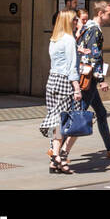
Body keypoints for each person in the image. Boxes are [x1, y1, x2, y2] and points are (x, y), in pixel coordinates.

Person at [78, 0, 110, 159]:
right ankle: (57, 148)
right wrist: (101, 80)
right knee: (77, 114)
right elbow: (95, 57)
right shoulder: (95, 31)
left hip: (85, 75)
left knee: (101, 112)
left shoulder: (86, 27)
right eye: (109, 14)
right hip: (90, 78)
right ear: (100, 13)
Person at [40, 9, 83, 174]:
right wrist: (77, 88)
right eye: (74, 20)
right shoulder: (69, 40)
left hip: (52, 81)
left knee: (56, 119)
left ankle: (56, 159)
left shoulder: (54, 39)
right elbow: (71, 67)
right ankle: (58, 155)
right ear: (67, 22)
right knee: (66, 121)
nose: (76, 22)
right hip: (65, 82)